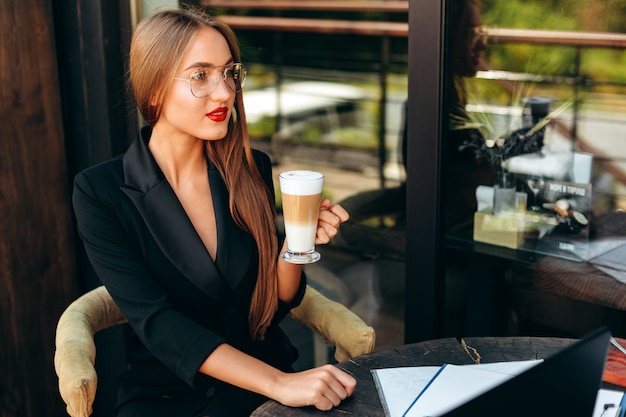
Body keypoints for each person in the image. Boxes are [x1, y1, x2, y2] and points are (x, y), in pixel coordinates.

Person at [72, 7, 354, 417]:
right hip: (169, 398)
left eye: (228, 73)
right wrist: (281, 383)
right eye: (200, 76)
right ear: (153, 90)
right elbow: (158, 323)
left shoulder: (251, 168)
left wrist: (296, 244)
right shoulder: (100, 193)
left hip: (264, 392)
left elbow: (270, 307)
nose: (224, 92)